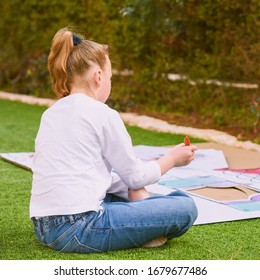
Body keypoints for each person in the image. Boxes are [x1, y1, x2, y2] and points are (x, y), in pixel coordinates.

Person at [30, 27, 198, 253]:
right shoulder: (103, 113)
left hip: (43, 227)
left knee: (121, 190)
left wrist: (129, 185)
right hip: (80, 227)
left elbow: (88, 175)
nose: (110, 81)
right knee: (185, 207)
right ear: (98, 77)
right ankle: (144, 228)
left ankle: (142, 219)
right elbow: (137, 176)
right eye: (110, 77)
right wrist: (172, 159)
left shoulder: (51, 113)